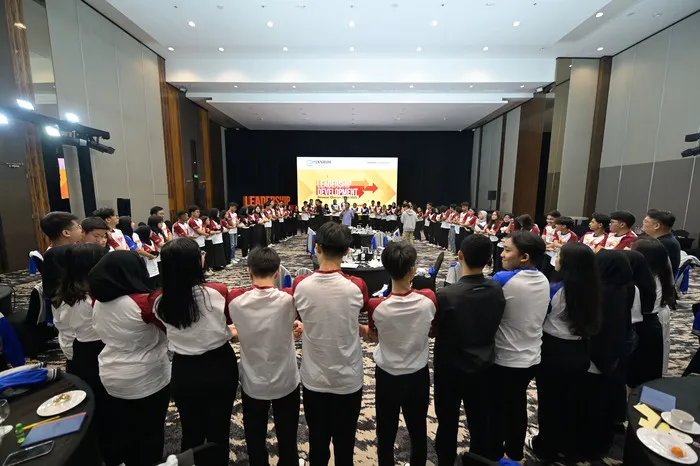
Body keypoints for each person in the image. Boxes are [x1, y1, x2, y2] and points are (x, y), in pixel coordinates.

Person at [153, 238, 237, 466]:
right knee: (219, 428)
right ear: (195, 263)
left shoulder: (158, 301)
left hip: (184, 368)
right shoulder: (217, 291)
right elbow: (227, 320)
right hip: (219, 364)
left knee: (190, 428)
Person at [292, 222, 369, 466]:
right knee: (345, 444)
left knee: (317, 441)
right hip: (348, 377)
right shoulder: (357, 286)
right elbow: (353, 315)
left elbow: (303, 316)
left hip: (314, 378)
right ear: (347, 251)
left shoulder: (300, 284)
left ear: (317, 248)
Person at [89, 251, 170, 466]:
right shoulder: (143, 303)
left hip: (111, 371)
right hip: (146, 375)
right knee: (151, 430)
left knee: (124, 425)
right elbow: (171, 328)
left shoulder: (97, 302)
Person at [434, 235, 505, 463]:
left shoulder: (446, 295)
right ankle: (478, 460)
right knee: (479, 419)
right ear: (489, 259)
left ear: (460, 255)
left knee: (447, 419)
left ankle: (445, 460)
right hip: (483, 364)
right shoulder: (496, 288)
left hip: (450, 367)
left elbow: (434, 330)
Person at [229, 247, 303, 466]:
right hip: (286, 378)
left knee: (254, 435)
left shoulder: (235, 303)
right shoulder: (290, 301)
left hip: (253, 380)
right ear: (277, 273)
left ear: (249, 272)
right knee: (288, 433)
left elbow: (239, 331)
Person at [529, 243, 601, 462]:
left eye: (559, 255)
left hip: (554, 350)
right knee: (571, 401)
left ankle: (546, 448)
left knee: (549, 402)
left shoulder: (556, 289)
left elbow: (539, 316)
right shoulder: (595, 288)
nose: (556, 259)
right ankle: (568, 446)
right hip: (580, 349)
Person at [366, 242, 436, 466]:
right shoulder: (429, 298)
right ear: (413, 270)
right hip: (417, 375)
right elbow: (432, 330)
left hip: (387, 375)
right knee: (418, 429)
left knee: (385, 431)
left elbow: (374, 336)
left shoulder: (376, 305)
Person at [51, 243, 115, 464]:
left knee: (91, 403)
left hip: (79, 353)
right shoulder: (90, 299)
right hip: (95, 351)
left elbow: (64, 330)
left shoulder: (65, 292)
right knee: (104, 405)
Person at [491, 231, 550, 462]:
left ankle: (498, 455)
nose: (502, 254)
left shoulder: (503, 279)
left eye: (507, 250)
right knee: (516, 404)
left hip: (507, 358)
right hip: (531, 356)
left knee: (499, 408)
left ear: (524, 257)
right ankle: (514, 453)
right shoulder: (543, 279)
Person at [584, 250, 633, 458]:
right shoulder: (626, 289)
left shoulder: (600, 294)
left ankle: (589, 445)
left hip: (597, 356)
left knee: (593, 402)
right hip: (614, 354)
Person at [631, 238, 676, 376]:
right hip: (653, 320)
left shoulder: (645, 280)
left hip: (645, 322)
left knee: (641, 366)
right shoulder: (661, 272)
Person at [624, 250, 664, 388]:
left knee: (636, 375)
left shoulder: (631, 288)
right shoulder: (648, 280)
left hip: (639, 330)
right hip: (649, 327)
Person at [643, 209, 681, 277]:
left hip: (657, 281)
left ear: (656, 226)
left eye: (645, 222)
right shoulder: (668, 240)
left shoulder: (663, 244)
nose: (643, 224)